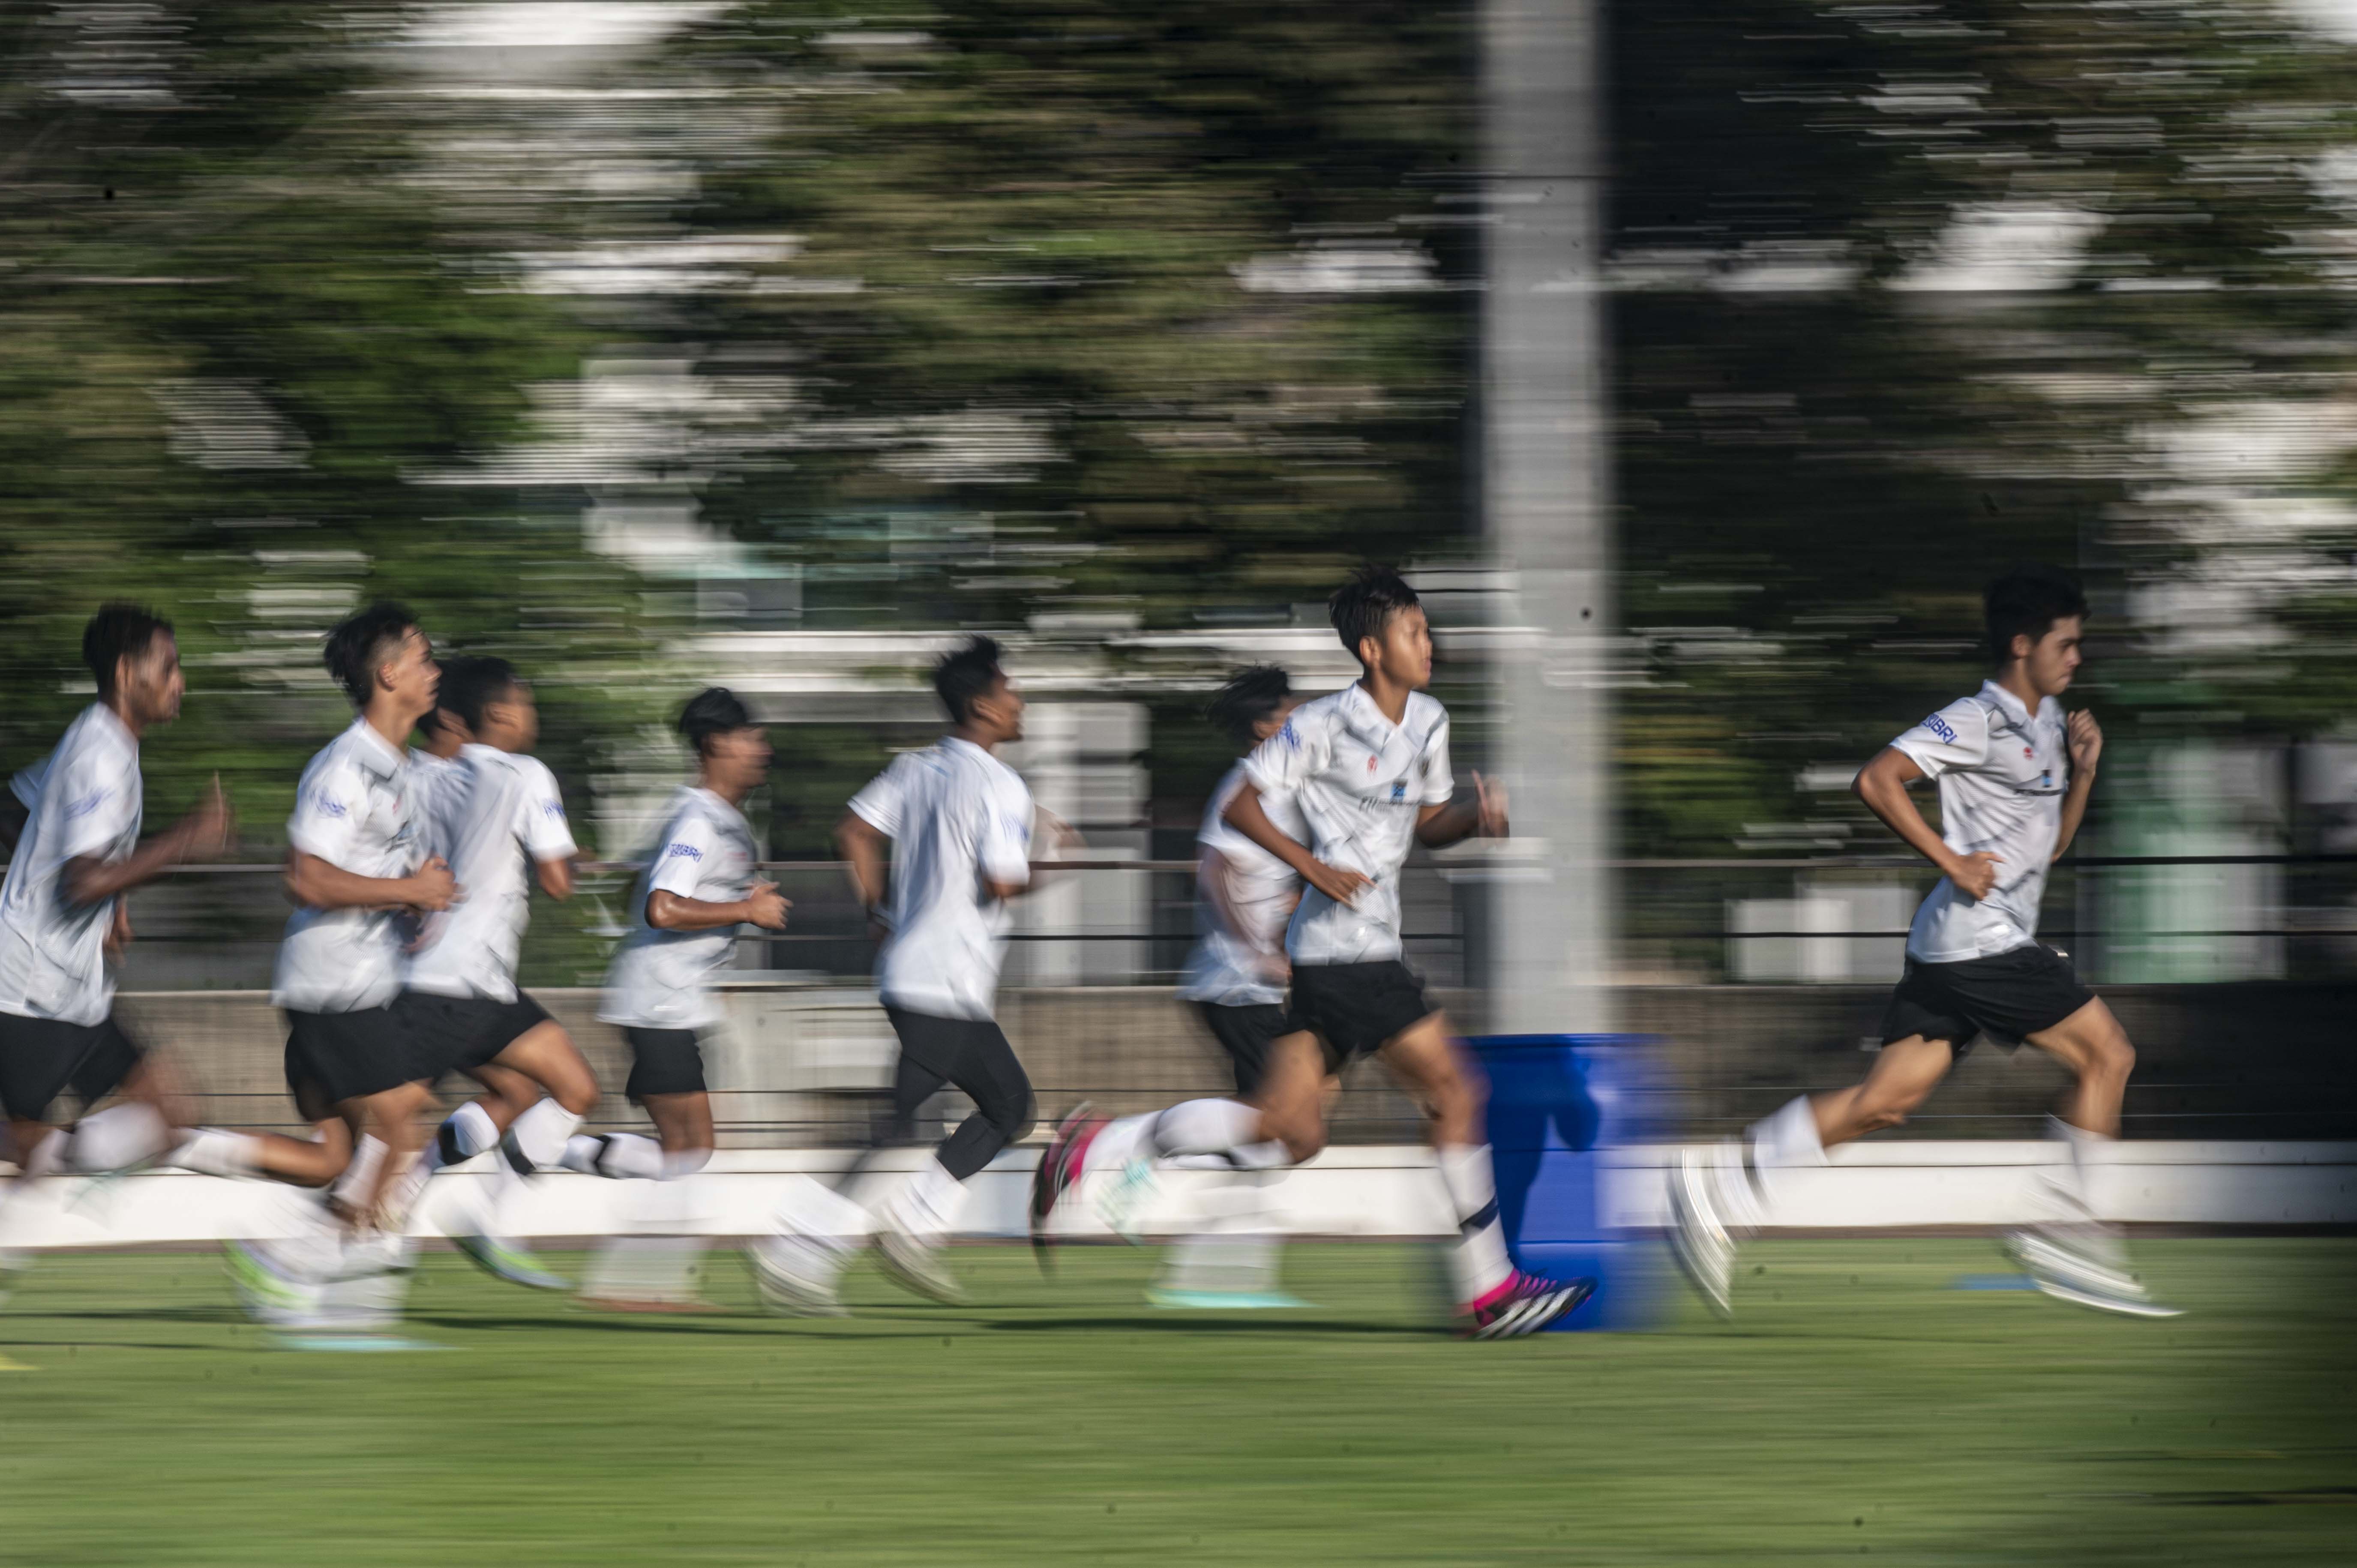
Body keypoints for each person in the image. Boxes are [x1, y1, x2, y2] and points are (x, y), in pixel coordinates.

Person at [1032, 569, 1596, 1338]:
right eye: (1413, 632)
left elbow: (1427, 824)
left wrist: (1473, 819)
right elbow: (1241, 806)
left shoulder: (1430, 720)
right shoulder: (1322, 723)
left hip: (1341, 958)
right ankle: (1489, 1290)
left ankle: (1101, 1145)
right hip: (1347, 955)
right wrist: (1313, 868)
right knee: (1457, 1094)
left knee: (1287, 1130)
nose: (1428, 643)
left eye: (1427, 630)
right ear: (1372, 649)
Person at [1667, 564, 2177, 1318]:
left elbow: (2052, 850)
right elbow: (1877, 780)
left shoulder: (2047, 726)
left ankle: (1719, 1188)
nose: (2077, 659)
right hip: (1981, 941)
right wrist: (1952, 861)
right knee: (2110, 1054)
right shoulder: (1977, 718)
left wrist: (2085, 776)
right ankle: (2066, 1231)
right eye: (2065, 645)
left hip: (1957, 947)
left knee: (1884, 1103)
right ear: (2022, 644)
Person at [0, 607, 346, 1297]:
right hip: (32, 991)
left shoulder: (97, 740)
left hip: (71, 989)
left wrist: (108, 899)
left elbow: (17, 813)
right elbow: (81, 878)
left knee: (164, 1114)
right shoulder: (101, 754)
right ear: (127, 673)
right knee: (37, 1157)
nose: (179, 682)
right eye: (169, 667)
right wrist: (184, 840)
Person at [748, 636, 1045, 1315]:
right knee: (915, 1119)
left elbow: (853, 831)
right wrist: (1055, 861)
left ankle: (897, 1225)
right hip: (946, 978)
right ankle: (807, 1244)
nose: (1020, 703)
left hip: (915, 972)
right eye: (1011, 692)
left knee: (1001, 1108)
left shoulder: (917, 766)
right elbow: (1003, 881)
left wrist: (880, 911)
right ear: (983, 706)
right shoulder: (1002, 785)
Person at [235, 602, 459, 1298]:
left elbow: (378, 872)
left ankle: (322, 1281)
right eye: (424, 658)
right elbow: (306, 878)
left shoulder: (401, 767)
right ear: (389, 674)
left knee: (349, 1153)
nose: (436, 671)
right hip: (334, 984)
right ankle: (293, 1265)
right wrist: (410, 891)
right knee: (396, 1133)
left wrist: (415, 898)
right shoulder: (345, 768)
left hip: (365, 983)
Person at [387, 657, 598, 1291]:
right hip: (467, 982)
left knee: (518, 1094)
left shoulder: (421, 775)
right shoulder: (524, 773)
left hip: (425, 975)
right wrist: (573, 861)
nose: (532, 716)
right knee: (572, 1090)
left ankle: (410, 1205)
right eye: (526, 704)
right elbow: (557, 881)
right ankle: (471, 1218)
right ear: (501, 714)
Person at [579, 688, 787, 1301]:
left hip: (675, 1002)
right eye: (752, 738)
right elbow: (662, 907)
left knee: (690, 1149)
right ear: (718, 745)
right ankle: (555, 1154)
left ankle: (637, 1281)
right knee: (690, 1150)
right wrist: (745, 909)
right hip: (658, 1004)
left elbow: (645, 892)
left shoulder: (717, 817)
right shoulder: (698, 820)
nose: (764, 750)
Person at [1141, 666, 1315, 1305]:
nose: (1303, 726)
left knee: (1275, 1134)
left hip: (1248, 986)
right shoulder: (1245, 785)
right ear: (1265, 728)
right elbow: (1213, 869)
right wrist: (1257, 949)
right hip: (1237, 985)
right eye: (1291, 717)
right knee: (1292, 1126)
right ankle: (1128, 1144)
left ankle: (1213, 1273)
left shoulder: (1282, 788)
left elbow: (1265, 879)